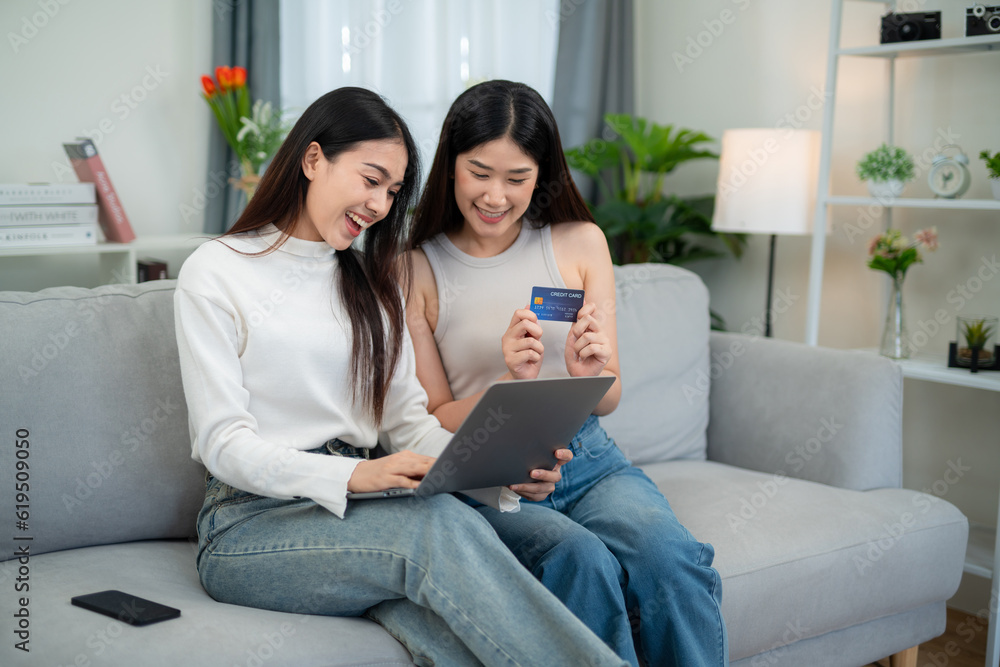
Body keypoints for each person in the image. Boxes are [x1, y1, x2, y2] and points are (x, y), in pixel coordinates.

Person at [174, 86, 629, 667]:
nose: (381, 205)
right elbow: (221, 442)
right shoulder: (217, 271)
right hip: (250, 523)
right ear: (313, 160)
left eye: (392, 191)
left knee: (571, 549)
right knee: (433, 528)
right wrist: (358, 475)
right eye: (370, 179)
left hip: (367, 512)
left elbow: (411, 425)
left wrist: (501, 480)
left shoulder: (370, 285)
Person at [406, 80, 729, 667]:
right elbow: (432, 412)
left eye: (518, 178)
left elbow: (611, 396)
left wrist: (590, 371)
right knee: (583, 565)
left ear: (543, 173)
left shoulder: (580, 243)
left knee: (669, 558)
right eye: (479, 172)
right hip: (490, 469)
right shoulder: (417, 269)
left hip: (589, 458)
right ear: (450, 164)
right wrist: (511, 385)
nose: (496, 196)